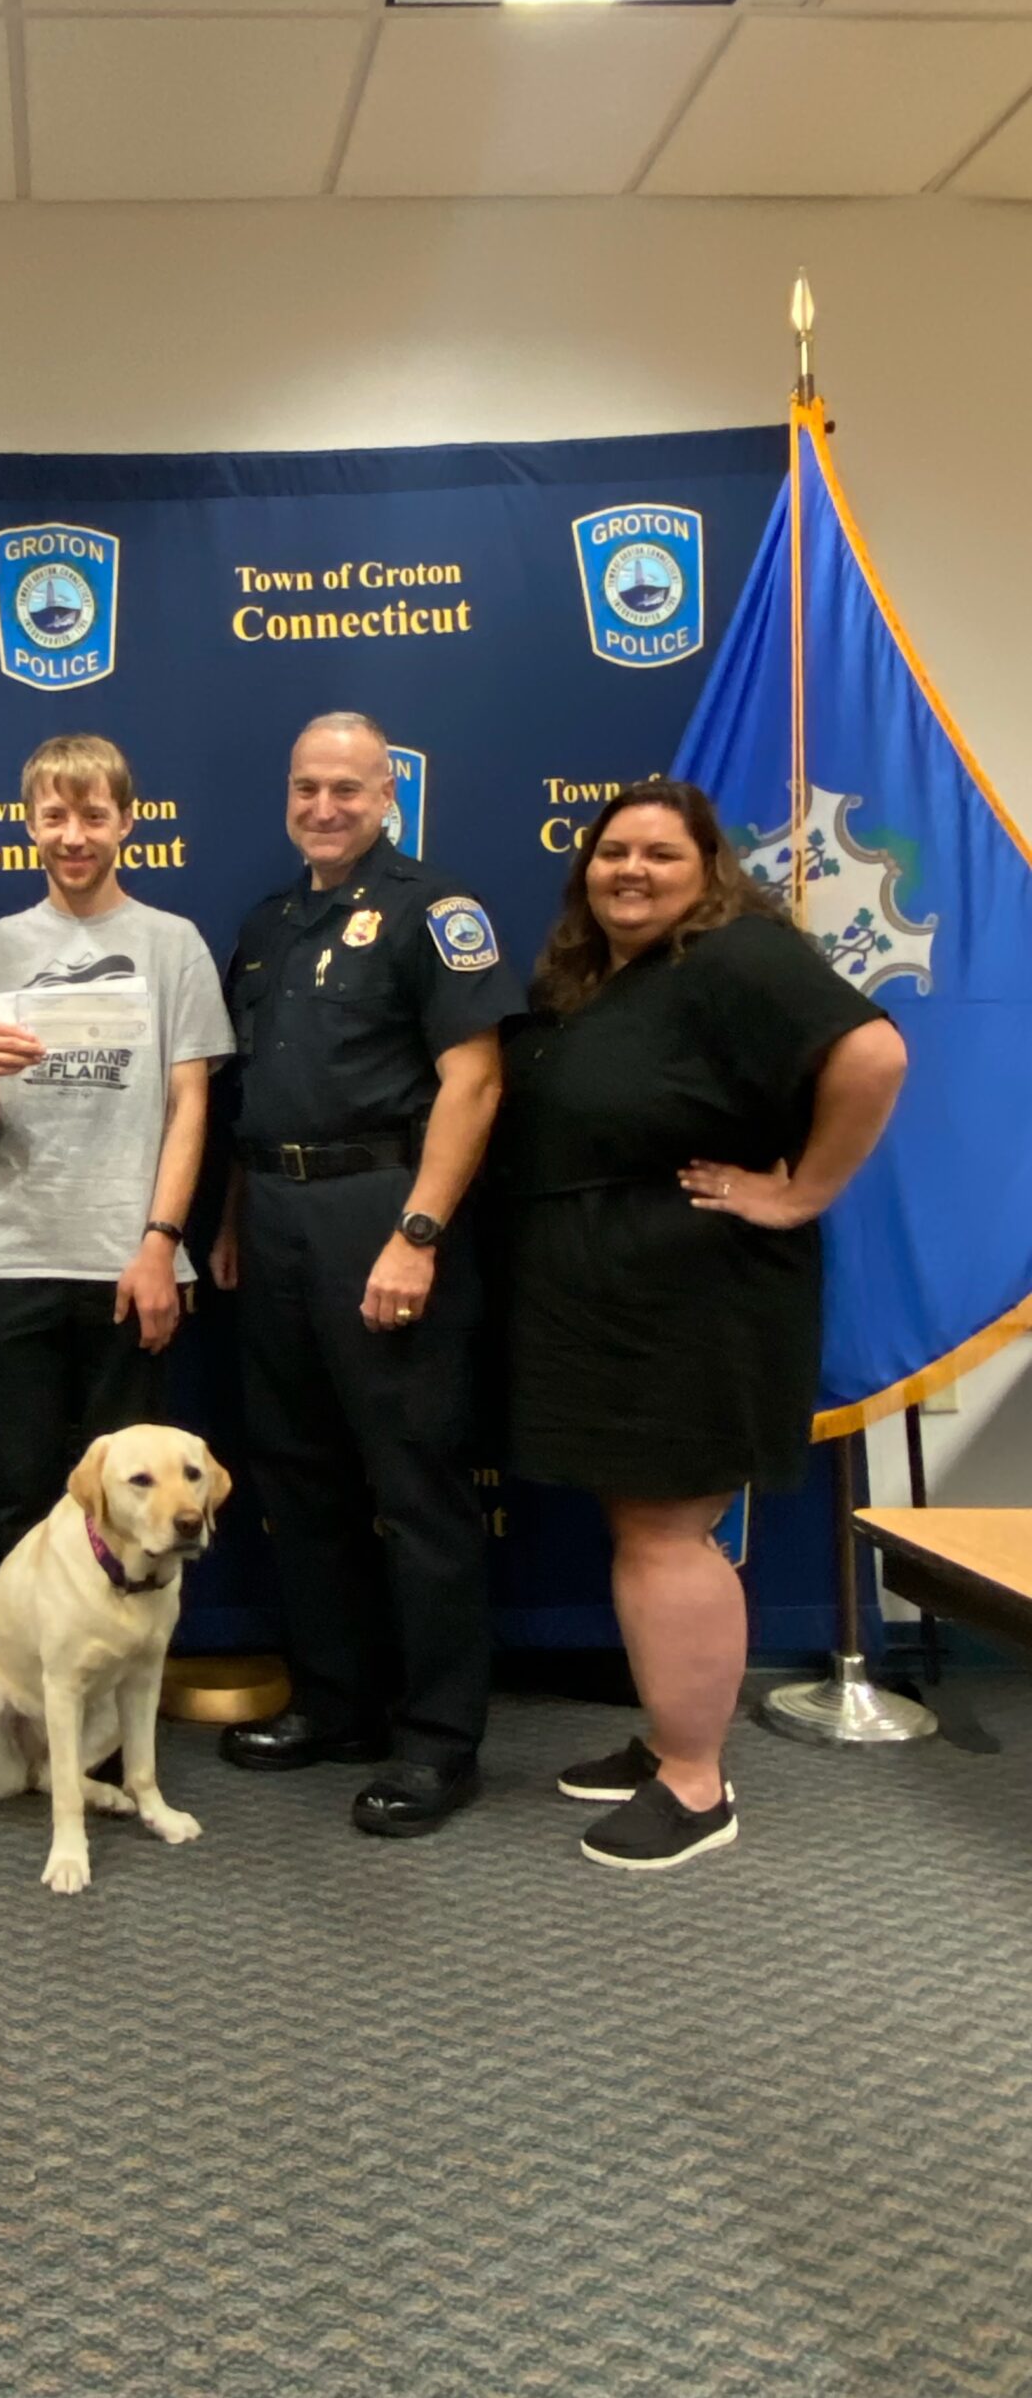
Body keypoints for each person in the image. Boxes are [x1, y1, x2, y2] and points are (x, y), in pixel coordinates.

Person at [494, 779, 907, 1870]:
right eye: (613, 851)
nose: (630, 870)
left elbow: (874, 1056)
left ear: (709, 870)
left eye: (661, 855)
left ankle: (696, 1783)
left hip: (699, 1298)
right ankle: (675, 1733)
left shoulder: (740, 956)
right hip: (617, 1298)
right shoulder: (618, 978)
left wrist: (799, 1190)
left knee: (670, 1533)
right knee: (646, 1527)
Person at [212, 712, 523, 1836]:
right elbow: (262, 1088)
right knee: (299, 1480)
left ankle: (440, 1742)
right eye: (307, 787)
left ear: (389, 794)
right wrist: (240, 1213)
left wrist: (420, 1231)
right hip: (280, 1212)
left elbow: (474, 1081)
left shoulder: (436, 912)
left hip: (380, 1213)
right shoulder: (269, 924)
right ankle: (336, 1703)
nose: (325, 806)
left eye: (348, 787)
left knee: (416, 1487)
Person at [0, 733, 233, 1570]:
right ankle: (25, 1691)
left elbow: (190, 1106)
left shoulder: (173, 943)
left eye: (93, 816)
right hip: (11, 1258)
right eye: (55, 816)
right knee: (18, 1495)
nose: (74, 835)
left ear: (127, 824)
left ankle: (116, 1692)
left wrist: (159, 1244)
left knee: (136, 1518)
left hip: (130, 1263)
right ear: (29, 825)